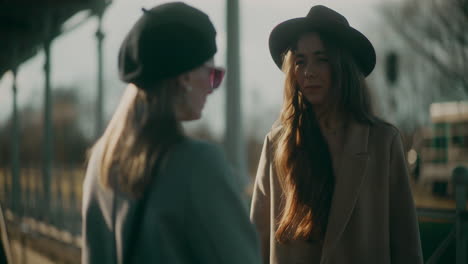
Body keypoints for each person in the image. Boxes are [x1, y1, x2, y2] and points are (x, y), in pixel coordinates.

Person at [81, 2, 261, 264]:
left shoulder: (100, 162)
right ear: (186, 78)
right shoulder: (198, 164)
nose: (212, 89)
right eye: (213, 75)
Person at [250, 5, 423, 264]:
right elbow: (256, 242)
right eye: (300, 61)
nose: (309, 71)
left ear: (343, 66)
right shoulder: (277, 144)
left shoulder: (383, 143)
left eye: (322, 59)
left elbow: (406, 245)